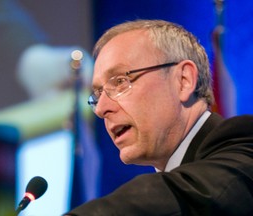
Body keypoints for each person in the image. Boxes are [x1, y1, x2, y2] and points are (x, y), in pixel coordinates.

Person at [64, 20, 253, 215]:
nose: (101, 109)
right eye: (97, 94)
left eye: (120, 81)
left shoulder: (245, 147)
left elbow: (185, 197)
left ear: (183, 80)